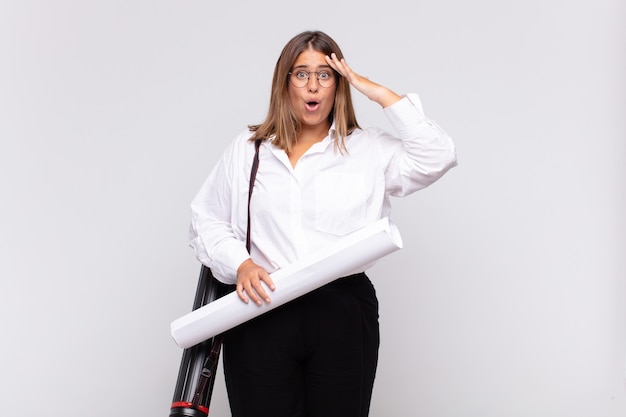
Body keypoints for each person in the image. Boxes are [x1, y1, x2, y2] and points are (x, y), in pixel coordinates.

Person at [188, 30, 457, 417]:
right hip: (262, 310)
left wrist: (376, 92)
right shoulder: (250, 149)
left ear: (338, 84)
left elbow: (438, 156)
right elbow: (206, 218)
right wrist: (241, 264)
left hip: (342, 311)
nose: (313, 85)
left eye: (325, 75)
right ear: (285, 83)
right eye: (301, 74)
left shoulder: (367, 148)